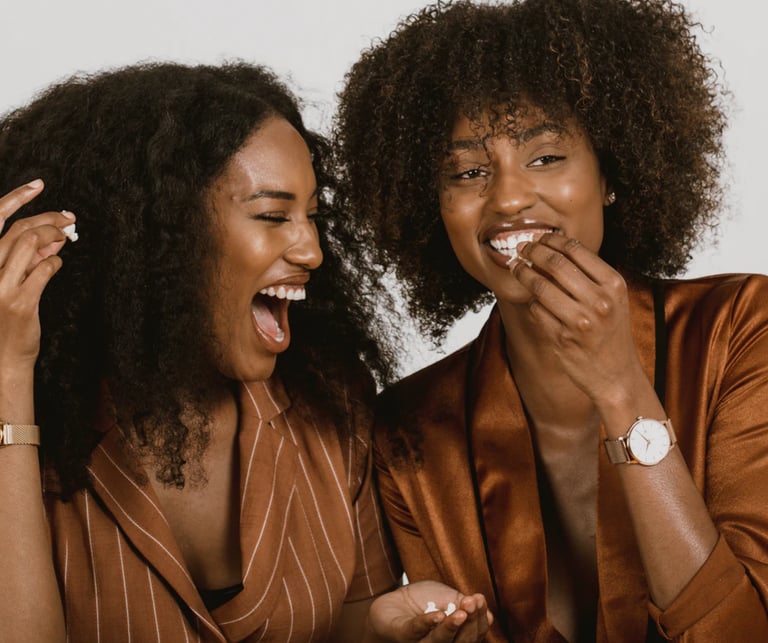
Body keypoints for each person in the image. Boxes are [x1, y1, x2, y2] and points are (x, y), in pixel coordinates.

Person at [0, 61, 493, 642]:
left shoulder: (332, 401)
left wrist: (383, 628)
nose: (311, 251)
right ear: (157, 237)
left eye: (312, 216)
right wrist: (7, 374)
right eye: (272, 216)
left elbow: (347, 620)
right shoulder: (39, 420)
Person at [334, 0, 768, 640]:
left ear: (610, 173)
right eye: (469, 172)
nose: (509, 198)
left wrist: (621, 390)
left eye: (545, 158)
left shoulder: (740, 329)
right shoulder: (411, 431)